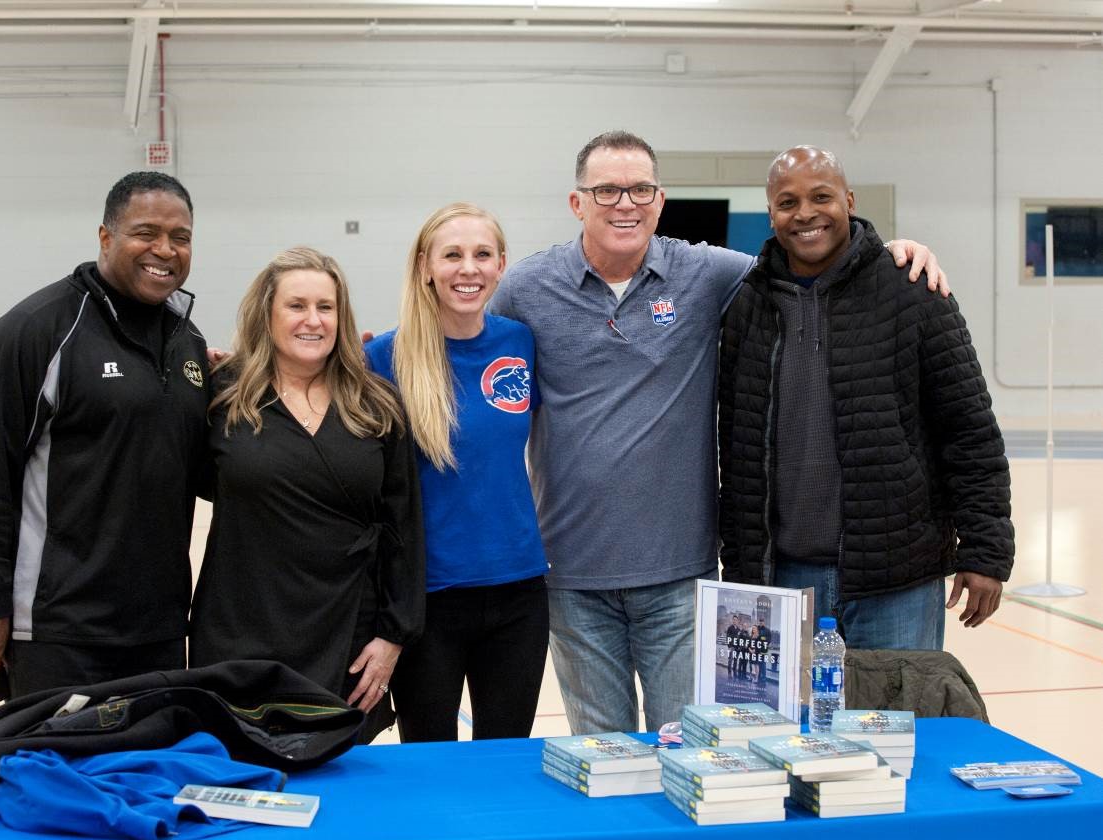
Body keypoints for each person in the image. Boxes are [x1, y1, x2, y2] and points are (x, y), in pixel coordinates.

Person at [489, 129, 946, 735]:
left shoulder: (708, 274)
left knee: (686, 743)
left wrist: (892, 251)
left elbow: (812, 253)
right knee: (601, 753)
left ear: (660, 199)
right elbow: (468, 353)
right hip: (572, 574)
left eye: (640, 189)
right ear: (578, 203)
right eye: (606, 191)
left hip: (683, 577)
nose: (625, 203)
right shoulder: (525, 289)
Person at [717, 145, 1014, 649]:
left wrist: (985, 552)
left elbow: (969, 432)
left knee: (893, 727)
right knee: (784, 730)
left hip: (896, 580)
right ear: (771, 215)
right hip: (779, 582)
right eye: (787, 202)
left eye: (821, 196)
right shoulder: (745, 304)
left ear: (849, 201)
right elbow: (736, 447)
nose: (806, 213)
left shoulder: (913, 290)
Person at [0, 171, 210, 699]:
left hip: (158, 628)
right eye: (146, 232)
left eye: (181, 237)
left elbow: (204, 468)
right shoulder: (37, 330)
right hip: (57, 632)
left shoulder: (188, 343)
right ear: (106, 236)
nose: (165, 249)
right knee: (56, 781)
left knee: (149, 779)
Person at [189, 247, 424, 740]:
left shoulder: (376, 403)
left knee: (344, 788)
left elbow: (405, 526)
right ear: (267, 315)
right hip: (241, 627)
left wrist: (391, 636)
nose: (312, 320)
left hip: (347, 631)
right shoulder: (221, 396)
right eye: (296, 306)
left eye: (326, 307)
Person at [364, 203, 550, 742]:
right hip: (428, 599)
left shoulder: (520, 342)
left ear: (500, 266)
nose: (468, 268)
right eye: (452, 255)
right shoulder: (383, 358)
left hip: (519, 588)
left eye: (482, 255)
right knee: (431, 763)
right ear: (425, 266)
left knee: (505, 758)